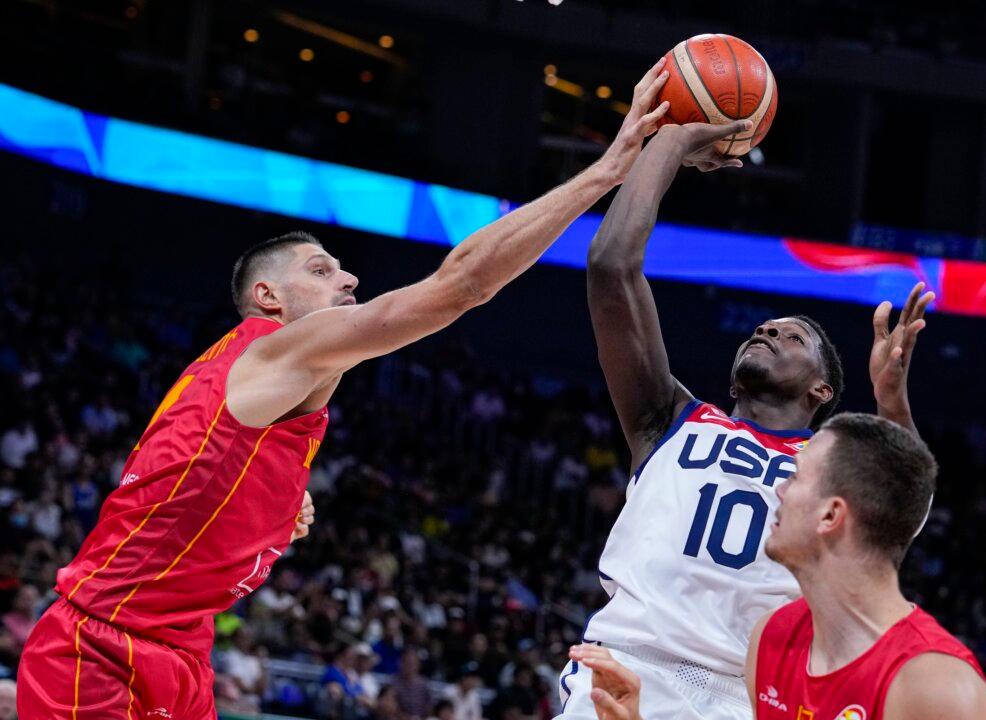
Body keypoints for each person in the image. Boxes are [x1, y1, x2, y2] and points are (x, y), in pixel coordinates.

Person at [16, 57, 680, 719]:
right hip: (101, 650)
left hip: (180, 656)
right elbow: (464, 286)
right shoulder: (272, 347)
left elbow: (178, 478)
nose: (349, 280)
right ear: (267, 297)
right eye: (321, 269)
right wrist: (608, 167)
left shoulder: (264, 393)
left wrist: (274, 509)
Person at [559, 119, 934, 720]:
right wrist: (672, 143)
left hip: (750, 694)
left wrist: (892, 403)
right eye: (765, 327)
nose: (768, 330)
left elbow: (904, 511)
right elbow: (610, 266)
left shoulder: (832, 463)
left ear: (822, 388)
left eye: (794, 336)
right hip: (628, 665)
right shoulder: (668, 417)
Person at [566, 413, 986, 720]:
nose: (777, 490)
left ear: (831, 516)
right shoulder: (772, 640)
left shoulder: (936, 687)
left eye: (794, 477)